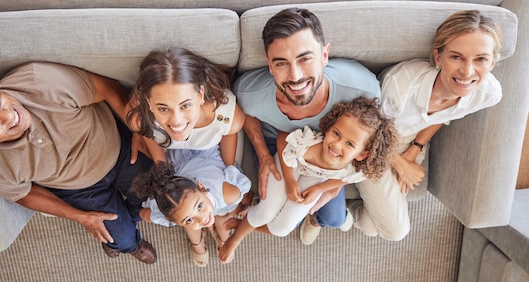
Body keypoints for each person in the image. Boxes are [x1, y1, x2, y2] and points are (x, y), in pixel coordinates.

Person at [0, 62, 157, 264]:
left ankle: (132, 215)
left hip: (120, 149)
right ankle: (131, 244)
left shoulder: (39, 81)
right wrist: (79, 217)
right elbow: (25, 194)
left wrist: (135, 129)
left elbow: (107, 88)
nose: (9, 115)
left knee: (159, 197)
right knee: (121, 240)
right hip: (79, 189)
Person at [351, 10, 503, 241]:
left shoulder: (489, 93)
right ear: (438, 57)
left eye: (481, 59)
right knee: (395, 232)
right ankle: (348, 209)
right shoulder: (402, 85)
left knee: (373, 226)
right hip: (371, 143)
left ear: (493, 62)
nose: (468, 71)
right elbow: (366, 134)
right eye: (456, 57)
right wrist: (401, 164)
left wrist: (415, 149)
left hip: (413, 140)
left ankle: (353, 210)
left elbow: (445, 115)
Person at [233, 7, 381, 244]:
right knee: (274, 208)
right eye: (281, 63)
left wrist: (335, 184)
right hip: (278, 143)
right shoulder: (249, 92)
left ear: (324, 55)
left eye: (305, 58)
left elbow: (368, 142)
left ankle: (315, 220)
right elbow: (244, 112)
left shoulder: (363, 90)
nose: (295, 76)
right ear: (269, 65)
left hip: (327, 154)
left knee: (332, 218)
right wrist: (263, 155)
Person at [219, 97, 398, 263]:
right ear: (329, 129)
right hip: (290, 164)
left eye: (349, 144)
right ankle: (236, 238)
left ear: (361, 154)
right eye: (336, 133)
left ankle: (247, 224)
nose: (336, 145)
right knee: (264, 213)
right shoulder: (307, 145)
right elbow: (282, 140)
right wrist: (289, 182)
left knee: (282, 228)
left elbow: (345, 179)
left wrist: (320, 189)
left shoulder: (357, 169)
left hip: (315, 179)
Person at [125, 47, 250, 260]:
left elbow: (230, 134)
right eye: (163, 108)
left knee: (216, 202)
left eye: (185, 105)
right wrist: (161, 168)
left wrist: (228, 167)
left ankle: (218, 221)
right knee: (185, 209)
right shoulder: (140, 118)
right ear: (149, 103)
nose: (176, 121)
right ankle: (198, 238)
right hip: (173, 160)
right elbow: (147, 132)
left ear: (200, 95)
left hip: (212, 154)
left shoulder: (226, 115)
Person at [131, 149, 251, 267]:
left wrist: (246, 203)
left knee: (224, 214)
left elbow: (244, 190)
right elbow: (144, 214)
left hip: (204, 164)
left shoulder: (229, 193)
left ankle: (223, 237)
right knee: (189, 221)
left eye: (199, 206)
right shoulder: (169, 206)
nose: (201, 219)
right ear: (169, 220)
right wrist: (179, 219)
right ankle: (197, 243)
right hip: (192, 191)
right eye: (189, 218)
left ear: (202, 188)